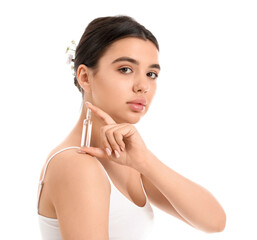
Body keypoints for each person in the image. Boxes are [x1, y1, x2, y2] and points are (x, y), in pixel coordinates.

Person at [37, 15, 226, 240]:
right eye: (125, 69)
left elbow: (214, 222)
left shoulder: (127, 159)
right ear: (85, 77)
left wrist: (144, 161)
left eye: (151, 74)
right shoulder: (77, 164)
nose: (143, 86)